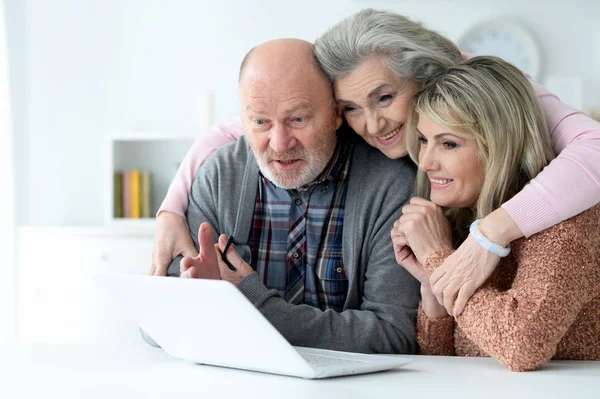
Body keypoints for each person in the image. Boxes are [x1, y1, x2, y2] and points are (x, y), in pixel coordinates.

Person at [150, 9, 600, 318]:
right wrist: (170, 208)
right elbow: (243, 127)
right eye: (350, 109)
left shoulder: (484, 86)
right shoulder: (348, 113)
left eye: (385, 98)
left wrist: (491, 235)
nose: (372, 125)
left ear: (425, 79)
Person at [149, 38, 421, 354]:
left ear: (336, 114)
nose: (279, 144)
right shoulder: (220, 176)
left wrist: (251, 302)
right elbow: (156, 325)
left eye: (298, 119)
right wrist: (197, 298)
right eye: (261, 121)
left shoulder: (389, 185)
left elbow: (393, 335)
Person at [391, 55, 600, 372]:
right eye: (423, 140)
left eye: (448, 143)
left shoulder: (564, 225)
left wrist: (438, 257)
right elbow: (443, 360)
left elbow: (522, 345)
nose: (426, 162)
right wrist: (433, 285)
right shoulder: (465, 211)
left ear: (502, 145)